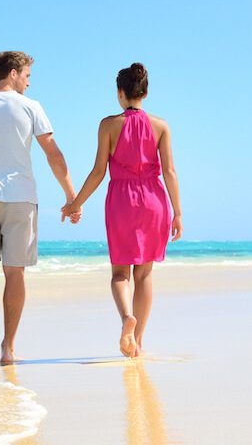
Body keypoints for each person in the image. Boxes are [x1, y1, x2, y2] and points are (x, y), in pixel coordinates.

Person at [0, 51, 80, 363]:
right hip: (20, 198)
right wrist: (71, 196)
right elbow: (54, 154)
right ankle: (9, 348)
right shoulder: (30, 107)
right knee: (15, 272)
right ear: (13, 72)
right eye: (26, 75)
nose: (28, 81)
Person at [62, 63, 183, 358]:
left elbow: (97, 173)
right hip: (155, 200)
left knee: (120, 274)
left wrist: (75, 203)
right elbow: (169, 171)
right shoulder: (161, 126)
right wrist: (177, 212)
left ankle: (126, 317)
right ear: (145, 92)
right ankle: (137, 342)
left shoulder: (108, 124)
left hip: (122, 200)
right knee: (144, 275)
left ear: (120, 93)